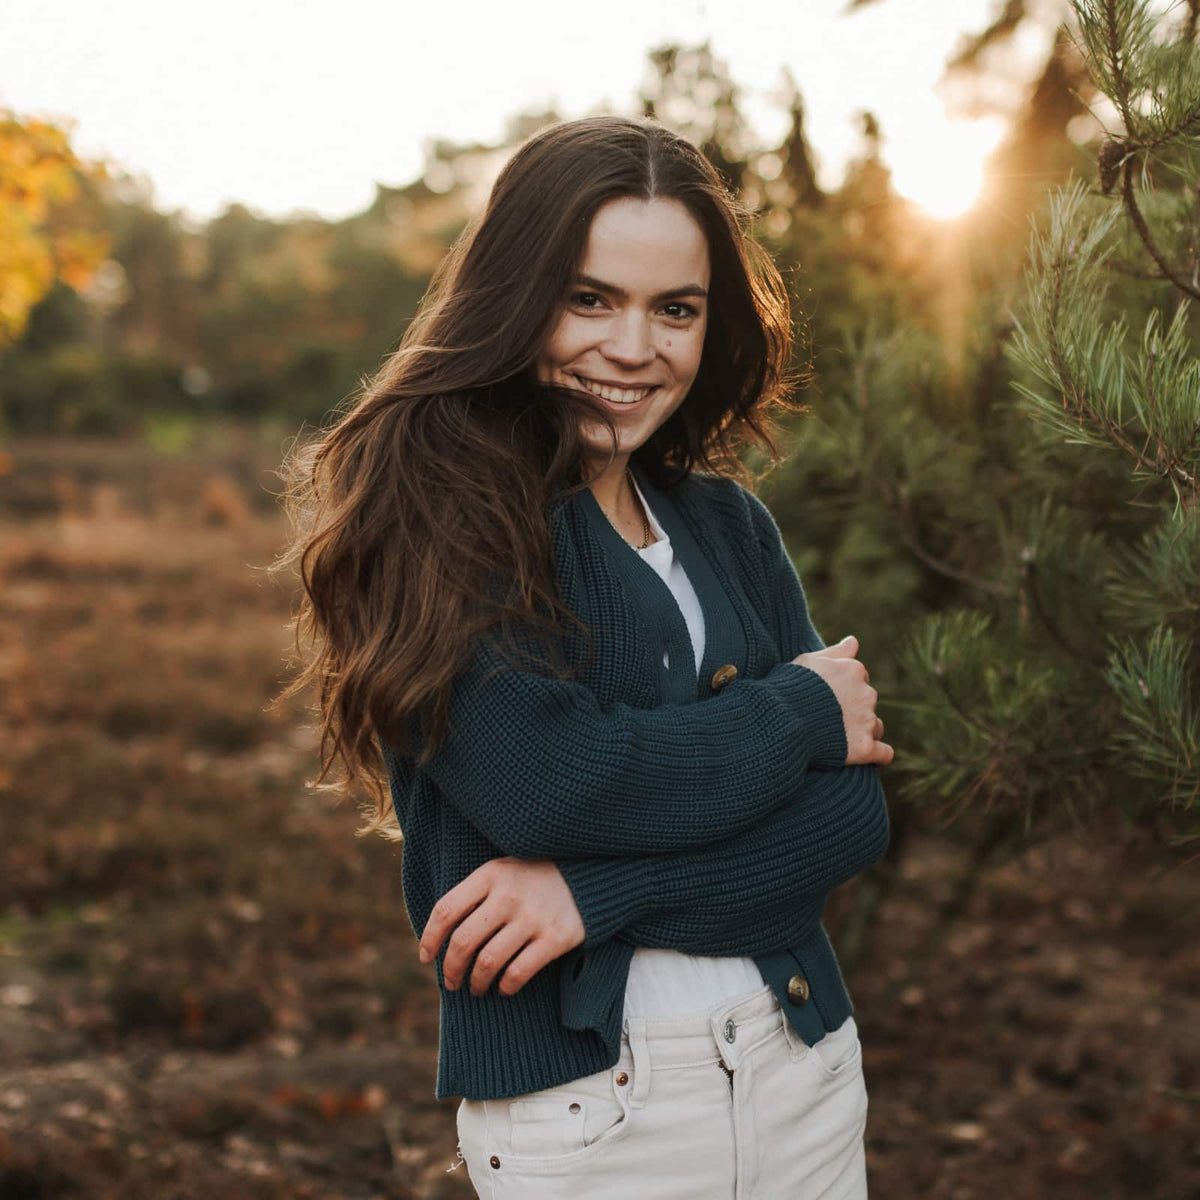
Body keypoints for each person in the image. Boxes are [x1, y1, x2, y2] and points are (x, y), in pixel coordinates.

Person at [279, 114, 893, 1198]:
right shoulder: (440, 517)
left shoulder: (727, 525)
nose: (633, 347)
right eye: (590, 298)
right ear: (517, 296)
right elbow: (549, 786)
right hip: (594, 1112)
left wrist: (594, 900)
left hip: (802, 1066)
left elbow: (851, 818)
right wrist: (796, 715)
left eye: (676, 310)